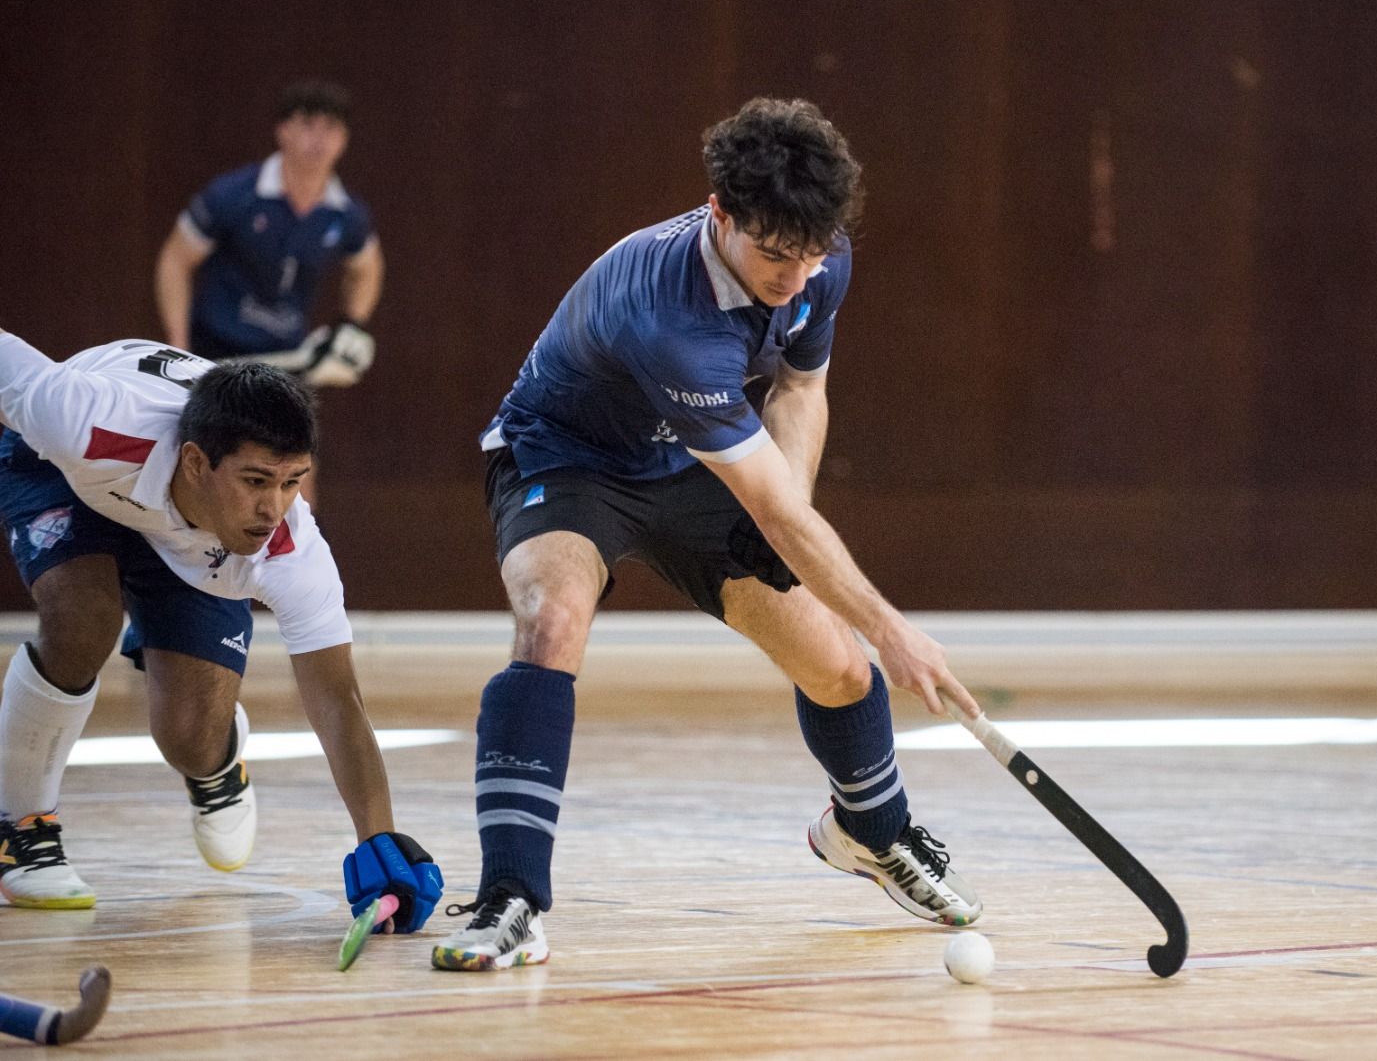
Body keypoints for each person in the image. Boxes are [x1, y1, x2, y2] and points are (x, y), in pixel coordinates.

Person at [434, 97, 983, 972]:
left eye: (810, 254)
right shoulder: (671, 319)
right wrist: (893, 626)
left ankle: (869, 834)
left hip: (691, 465)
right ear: (720, 215)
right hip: (569, 458)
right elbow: (768, 507)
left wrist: (795, 512)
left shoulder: (817, 254)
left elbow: (801, 391)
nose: (795, 276)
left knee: (837, 666)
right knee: (553, 622)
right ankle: (512, 898)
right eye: (773, 254)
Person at [0, 329, 440, 940]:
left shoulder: (288, 551)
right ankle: (23, 828)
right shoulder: (82, 416)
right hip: (69, 478)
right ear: (196, 462)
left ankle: (216, 763)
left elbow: (337, 701)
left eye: (292, 482)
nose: (274, 509)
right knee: (84, 618)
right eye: (257, 481)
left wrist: (379, 839)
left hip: (193, 536)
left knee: (187, 734)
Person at [153, 79, 382, 390]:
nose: (319, 139)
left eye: (331, 127)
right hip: (215, 353)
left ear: (344, 139)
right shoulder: (234, 196)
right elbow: (174, 261)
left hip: (285, 360)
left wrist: (350, 326)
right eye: (307, 124)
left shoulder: (346, 213)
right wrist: (179, 349)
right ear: (282, 131)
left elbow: (367, 267)